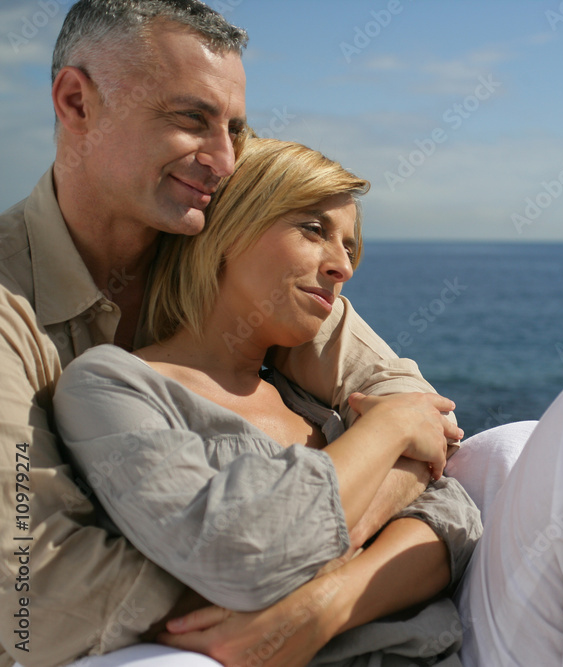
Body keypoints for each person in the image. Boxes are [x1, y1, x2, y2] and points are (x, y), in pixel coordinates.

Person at [54, 136, 563, 666]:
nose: (343, 264)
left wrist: (324, 601)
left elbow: (452, 512)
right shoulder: (116, 386)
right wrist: (386, 434)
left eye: (351, 244)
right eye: (313, 229)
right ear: (231, 228)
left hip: (459, 644)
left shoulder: (308, 390)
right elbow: (242, 550)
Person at [0, 2, 520, 666]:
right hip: (146, 652)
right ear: (76, 103)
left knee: (521, 447)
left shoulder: (232, 264)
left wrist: (330, 591)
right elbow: (37, 599)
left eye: (236, 129)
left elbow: (418, 418)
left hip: (329, 624)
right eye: (191, 119)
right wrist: (267, 573)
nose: (223, 160)